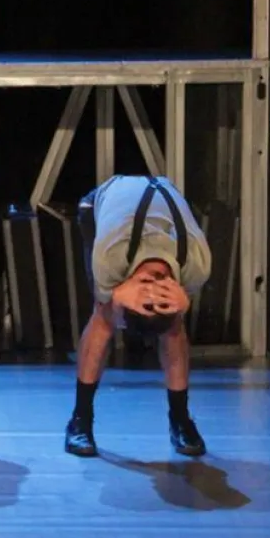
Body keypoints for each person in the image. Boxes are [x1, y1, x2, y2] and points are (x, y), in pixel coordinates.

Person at [65, 174, 212, 458]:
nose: (154, 289)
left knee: (172, 324)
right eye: (151, 287)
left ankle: (180, 420)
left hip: (158, 199)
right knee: (104, 314)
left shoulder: (196, 267)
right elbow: (107, 298)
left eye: (150, 292)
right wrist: (113, 296)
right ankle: (79, 420)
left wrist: (181, 304)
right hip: (101, 202)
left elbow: (179, 306)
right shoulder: (110, 257)